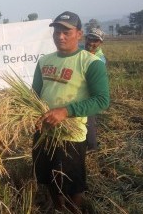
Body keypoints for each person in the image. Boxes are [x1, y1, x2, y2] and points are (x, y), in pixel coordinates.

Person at [31, 11, 110, 213]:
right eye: (57, 32)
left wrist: (66, 111)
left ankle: (74, 209)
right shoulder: (44, 61)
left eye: (66, 32)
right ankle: (58, 208)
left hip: (71, 134)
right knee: (49, 175)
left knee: (72, 181)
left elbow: (102, 100)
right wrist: (28, 113)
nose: (60, 36)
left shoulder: (91, 63)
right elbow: (35, 94)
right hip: (44, 130)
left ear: (79, 34)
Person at [84, 27, 106, 151]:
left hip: (89, 93)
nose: (91, 42)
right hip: (76, 91)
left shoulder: (99, 60)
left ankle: (92, 147)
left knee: (89, 120)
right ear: (85, 38)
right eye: (89, 38)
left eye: (95, 40)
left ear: (100, 43)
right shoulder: (79, 50)